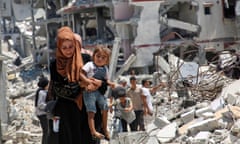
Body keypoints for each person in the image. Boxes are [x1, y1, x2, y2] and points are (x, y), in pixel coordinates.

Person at [47, 26, 102, 144]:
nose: (68, 50)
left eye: (71, 47)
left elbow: (95, 80)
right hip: (68, 111)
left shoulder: (85, 59)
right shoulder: (55, 65)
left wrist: (93, 83)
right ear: (59, 48)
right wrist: (81, 85)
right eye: (64, 47)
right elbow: (58, 89)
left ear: (76, 45)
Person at [82, 45, 115, 140]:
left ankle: (104, 128)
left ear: (107, 60)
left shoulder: (105, 68)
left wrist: (111, 83)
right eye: (98, 56)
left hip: (99, 92)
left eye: (103, 57)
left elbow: (106, 80)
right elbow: (82, 74)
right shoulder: (89, 65)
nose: (100, 59)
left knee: (105, 107)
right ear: (94, 56)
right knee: (91, 111)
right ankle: (93, 131)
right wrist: (87, 82)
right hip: (89, 92)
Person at [35, 76, 49, 144]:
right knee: (46, 131)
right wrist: (48, 106)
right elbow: (40, 105)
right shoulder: (41, 92)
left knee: (47, 130)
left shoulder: (42, 91)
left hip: (42, 113)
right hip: (42, 114)